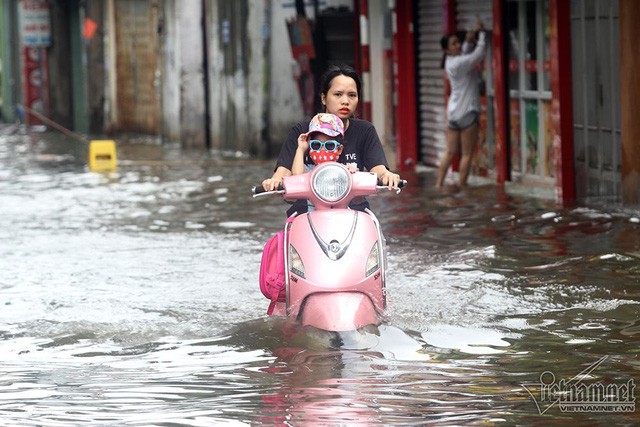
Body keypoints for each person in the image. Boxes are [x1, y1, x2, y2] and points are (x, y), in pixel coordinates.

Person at [262, 64, 400, 216]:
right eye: (338, 94)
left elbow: (378, 169)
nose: (345, 101)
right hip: (305, 215)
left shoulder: (365, 131)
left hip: (354, 215)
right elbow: (283, 172)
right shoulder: (302, 131)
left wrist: (388, 176)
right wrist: (273, 182)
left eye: (352, 95)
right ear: (323, 98)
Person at [436, 19, 487, 189]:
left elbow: (464, 54)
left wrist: (468, 41)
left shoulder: (451, 62)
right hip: (467, 113)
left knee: (450, 152)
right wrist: (481, 35)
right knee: (466, 154)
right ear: (446, 50)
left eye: (458, 42)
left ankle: (438, 185)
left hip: (453, 113)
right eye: (453, 44)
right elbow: (478, 55)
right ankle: (462, 187)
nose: (458, 45)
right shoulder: (459, 63)